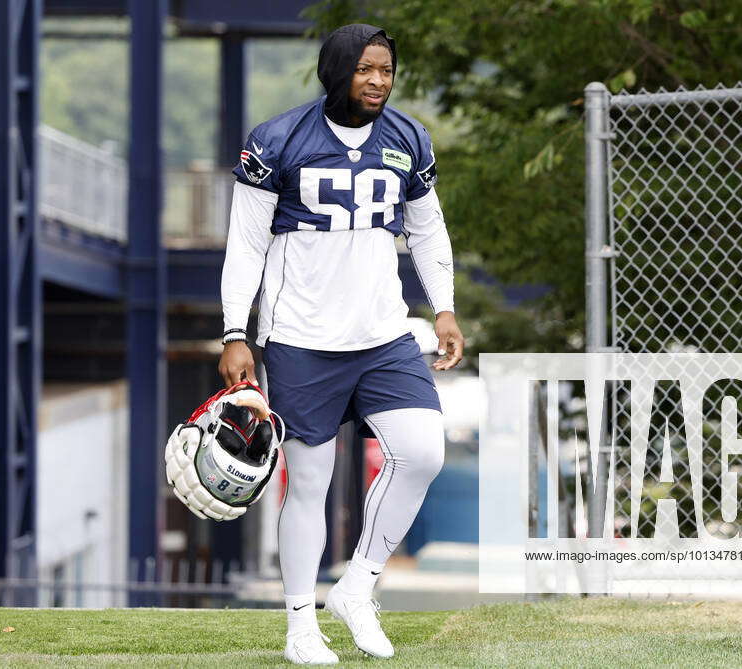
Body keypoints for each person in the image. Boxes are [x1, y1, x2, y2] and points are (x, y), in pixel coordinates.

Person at [218, 23, 464, 664]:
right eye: (365, 69)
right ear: (337, 71)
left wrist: (444, 310)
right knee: (310, 484)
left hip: (383, 334)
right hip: (301, 338)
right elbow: (244, 243)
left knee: (422, 452)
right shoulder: (275, 142)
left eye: (386, 70)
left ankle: (357, 588)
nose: (378, 81)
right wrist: (235, 332)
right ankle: (301, 621)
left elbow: (428, 233)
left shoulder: (408, 138)